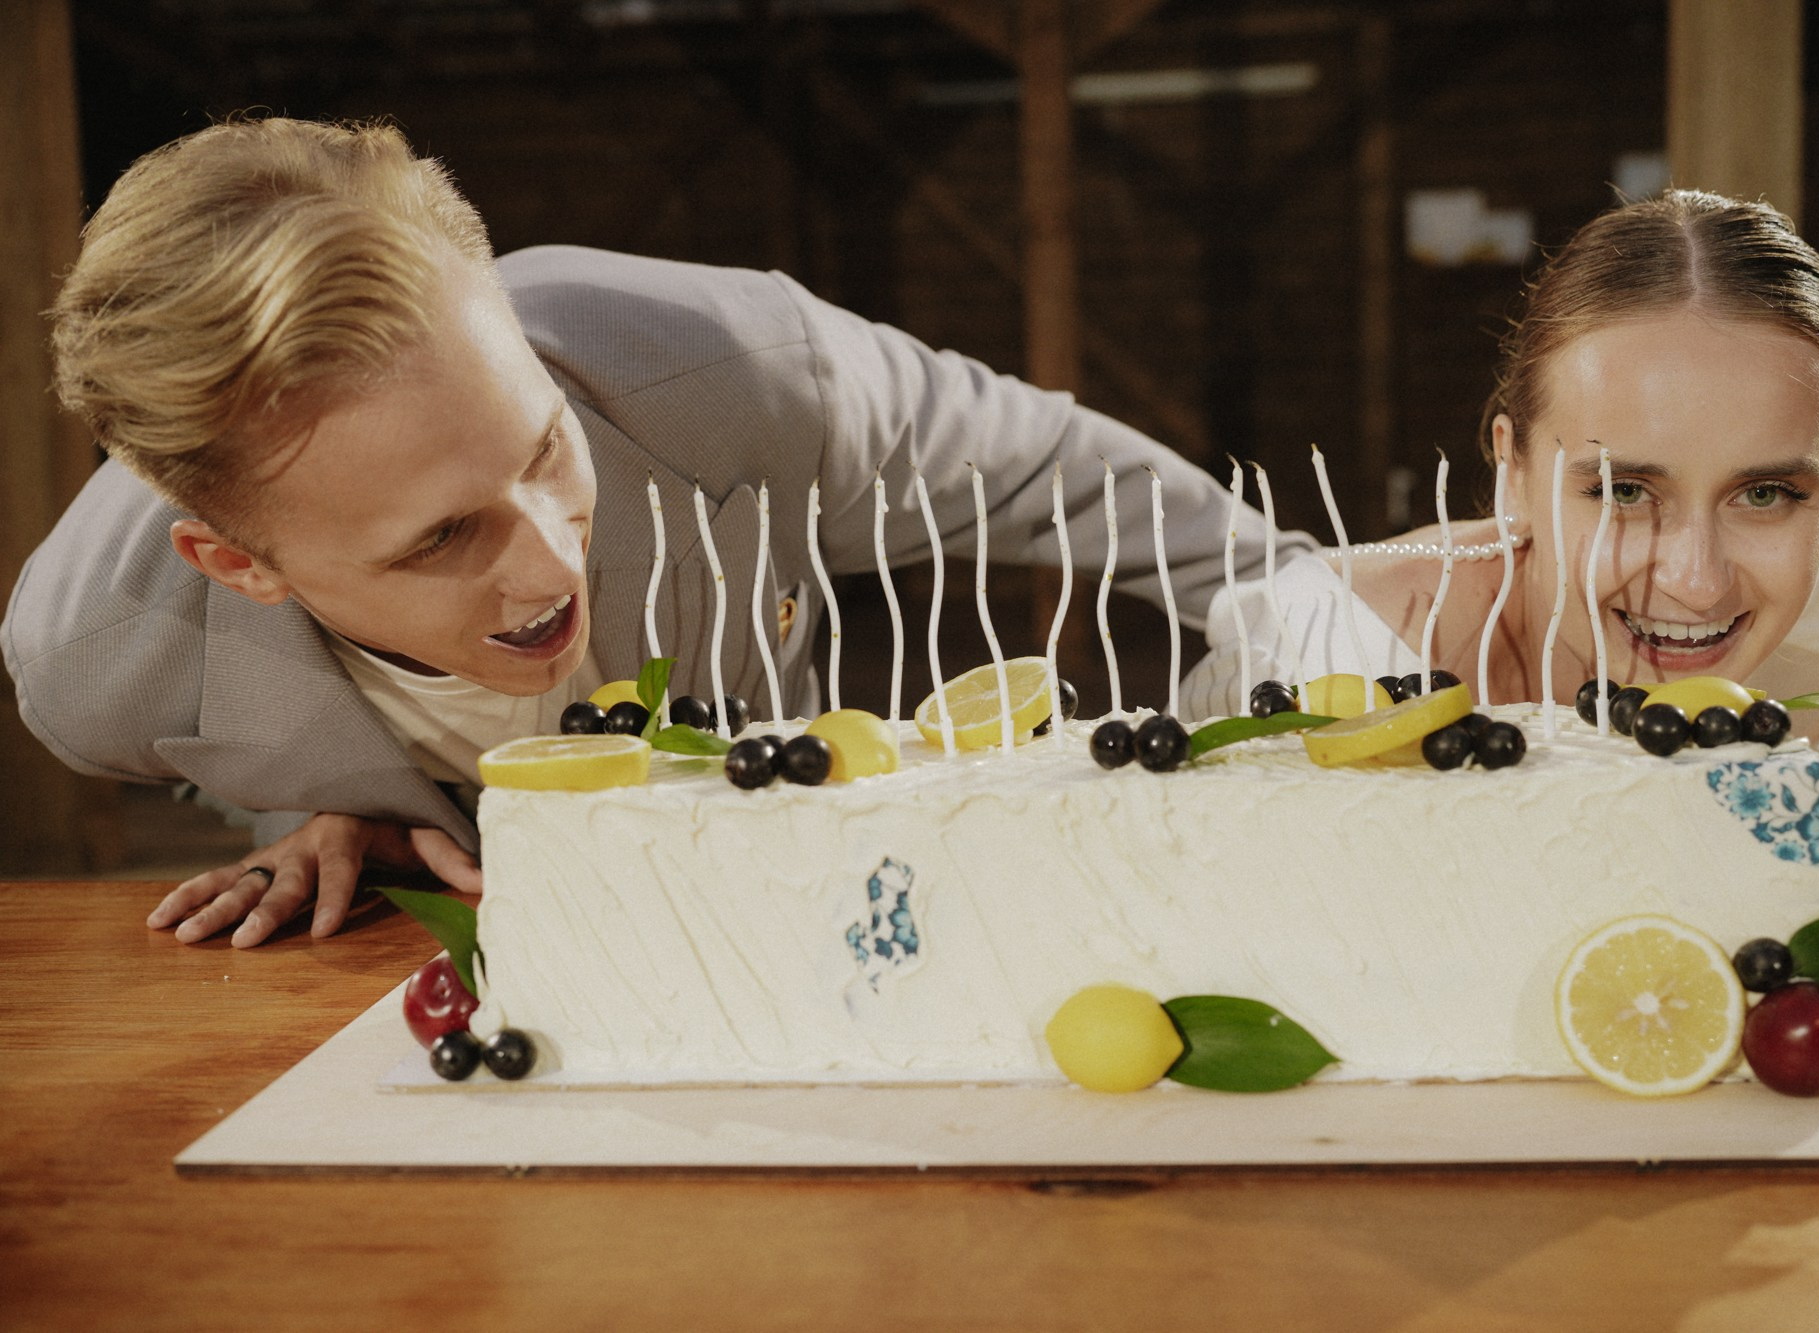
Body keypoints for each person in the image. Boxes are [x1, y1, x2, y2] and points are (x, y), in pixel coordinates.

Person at [4, 116, 1306, 948]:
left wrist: (1306, 608)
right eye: (439, 537)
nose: (550, 558)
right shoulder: (96, 664)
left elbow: (1075, 477)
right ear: (241, 568)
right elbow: (200, 749)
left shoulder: (734, 368)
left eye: (546, 448)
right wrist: (308, 795)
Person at [1183, 189, 1819, 759]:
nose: (1699, 584)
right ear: (1513, 472)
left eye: (1763, 494)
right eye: (1624, 491)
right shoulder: (1308, 654)